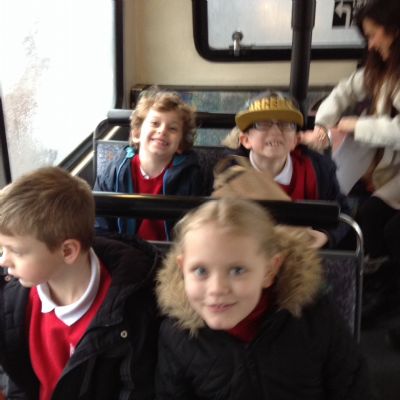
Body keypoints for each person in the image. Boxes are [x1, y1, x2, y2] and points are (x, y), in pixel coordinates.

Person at [155, 197, 371, 399]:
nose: (217, 289)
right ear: (183, 269)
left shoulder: (314, 316)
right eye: (201, 271)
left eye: (237, 270)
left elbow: (353, 388)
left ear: (269, 271)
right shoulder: (177, 336)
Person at [0, 167, 159, 400]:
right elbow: (17, 377)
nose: (3, 261)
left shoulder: (131, 309)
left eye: (16, 251)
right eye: (2, 249)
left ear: (67, 251)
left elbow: (134, 388)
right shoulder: (12, 300)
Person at [299, 0, 400, 323]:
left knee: (394, 229)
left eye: (373, 35)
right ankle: (378, 285)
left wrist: (354, 125)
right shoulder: (381, 70)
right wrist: (323, 126)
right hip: (393, 168)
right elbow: (344, 92)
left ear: (394, 30)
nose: (370, 44)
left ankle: (389, 295)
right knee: (370, 214)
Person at [223, 90, 351, 248]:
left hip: (303, 254)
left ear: (295, 140)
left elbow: (343, 213)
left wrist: (326, 235)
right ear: (245, 140)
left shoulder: (318, 171)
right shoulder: (229, 174)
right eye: (263, 124)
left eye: (285, 124)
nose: (276, 131)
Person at [94, 88, 204, 241]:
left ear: (180, 144)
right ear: (137, 134)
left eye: (172, 128)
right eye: (155, 123)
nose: (162, 131)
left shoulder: (191, 176)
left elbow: (194, 230)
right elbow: (99, 227)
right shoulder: (114, 172)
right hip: (122, 249)